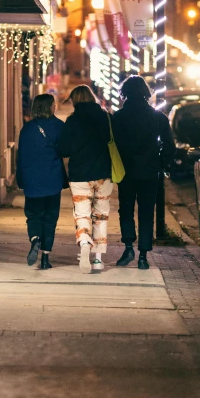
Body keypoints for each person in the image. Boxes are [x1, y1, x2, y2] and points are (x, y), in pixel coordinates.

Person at [112, 75, 175, 270]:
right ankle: (143, 255)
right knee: (147, 212)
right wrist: (161, 162)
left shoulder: (118, 117)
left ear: (125, 93)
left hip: (126, 171)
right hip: (149, 171)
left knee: (126, 209)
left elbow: (111, 144)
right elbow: (169, 146)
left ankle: (129, 245)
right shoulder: (157, 117)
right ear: (145, 93)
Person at [58, 85, 112, 274]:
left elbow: (64, 149)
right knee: (101, 215)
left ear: (75, 101)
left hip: (79, 174)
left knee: (82, 213)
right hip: (103, 173)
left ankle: (83, 243)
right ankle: (97, 259)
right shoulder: (106, 117)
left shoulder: (72, 121)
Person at [16, 93, 65, 269]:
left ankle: (35, 238)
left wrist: (20, 180)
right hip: (52, 179)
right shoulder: (59, 126)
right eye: (54, 105)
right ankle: (45, 258)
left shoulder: (27, 129)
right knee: (50, 217)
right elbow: (64, 150)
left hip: (31, 180)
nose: (55, 107)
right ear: (50, 107)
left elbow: (20, 156)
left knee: (34, 214)